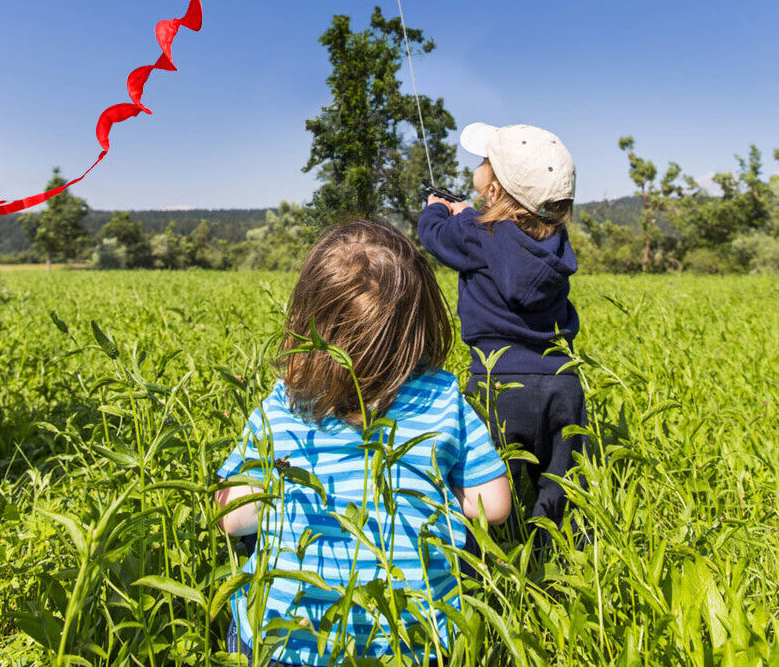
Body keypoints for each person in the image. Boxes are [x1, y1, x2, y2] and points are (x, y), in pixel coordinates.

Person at [216, 219, 511, 666]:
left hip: (284, 644)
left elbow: (233, 518)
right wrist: (434, 494)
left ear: (307, 322)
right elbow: (495, 505)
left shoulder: (284, 405)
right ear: (418, 323)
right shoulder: (442, 398)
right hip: (414, 643)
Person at [418, 122, 588, 543]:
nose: (478, 165)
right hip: (561, 382)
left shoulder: (475, 231)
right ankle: (563, 565)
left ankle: (494, 564)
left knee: (487, 489)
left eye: (484, 162)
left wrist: (438, 207)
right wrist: (471, 215)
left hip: (496, 383)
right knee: (563, 491)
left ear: (492, 191)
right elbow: (513, 237)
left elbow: (433, 236)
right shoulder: (557, 242)